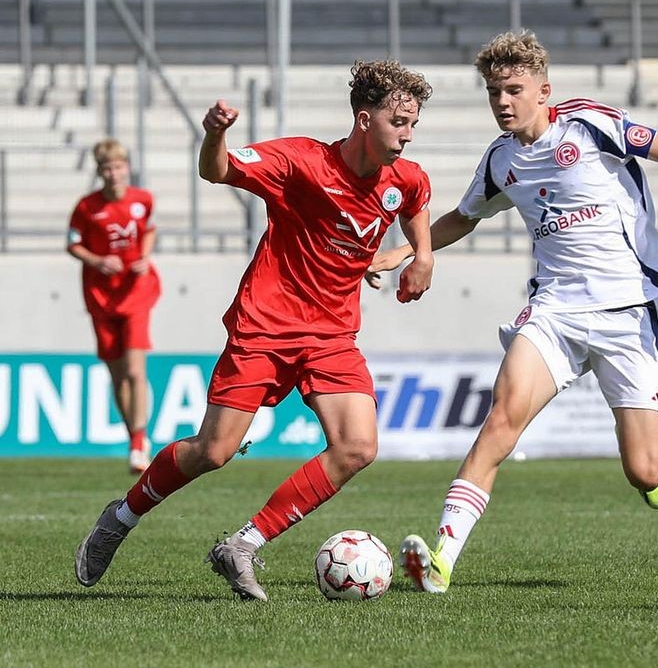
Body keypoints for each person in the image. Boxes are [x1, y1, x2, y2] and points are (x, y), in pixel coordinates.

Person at [366, 30, 658, 594]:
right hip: (556, 312)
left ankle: (652, 476)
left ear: (543, 90)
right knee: (502, 418)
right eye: (494, 91)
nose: (503, 101)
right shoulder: (501, 160)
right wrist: (409, 250)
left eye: (514, 89)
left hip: (629, 314)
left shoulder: (590, 124)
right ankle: (443, 557)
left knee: (642, 470)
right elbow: (464, 216)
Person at [73, 60, 435, 601]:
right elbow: (215, 172)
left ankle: (243, 544)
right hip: (265, 327)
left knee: (358, 447)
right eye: (397, 122)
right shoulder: (299, 162)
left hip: (332, 335)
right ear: (364, 119)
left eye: (412, 125)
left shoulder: (405, 177)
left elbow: (415, 204)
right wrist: (215, 135)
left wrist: (420, 256)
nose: (406, 136)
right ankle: (121, 518)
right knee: (212, 452)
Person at [68, 139, 161, 474]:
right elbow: (72, 244)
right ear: (99, 172)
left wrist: (145, 256)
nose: (114, 173)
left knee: (136, 370)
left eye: (119, 166)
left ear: (127, 167)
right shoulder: (86, 207)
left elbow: (149, 230)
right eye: (107, 168)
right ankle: (134, 436)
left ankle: (139, 442)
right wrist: (96, 260)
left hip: (136, 292)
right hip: (101, 296)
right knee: (117, 374)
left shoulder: (142, 199)